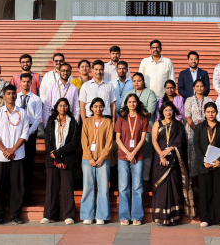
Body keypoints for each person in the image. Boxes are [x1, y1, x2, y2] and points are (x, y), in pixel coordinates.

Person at [151, 101, 195, 226]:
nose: (168, 112)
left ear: (174, 111)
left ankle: (173, 217)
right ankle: (160, 217)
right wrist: (162, 155)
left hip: (174, 160)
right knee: (161, 187)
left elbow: (181, 142)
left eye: (170, 110)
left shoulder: (179, 125)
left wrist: (170, 149)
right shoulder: (157, 124)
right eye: (165, 110)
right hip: (160, 160)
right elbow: (154, 141)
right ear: (162, 112)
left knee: (174, 187)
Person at [0, 85, 29, 225]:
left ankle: (15, 214)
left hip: (18, 155)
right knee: (0, 185)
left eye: (13, 93)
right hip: (1, 156)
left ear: (16, 96)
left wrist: (12, 150)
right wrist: (5, 150)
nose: (11, 96)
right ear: (4, 96)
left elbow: (25, 133)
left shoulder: (22, 112)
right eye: (8, 93)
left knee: (17, 186)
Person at [42, 97, 81, 225]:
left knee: (67, 188)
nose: (63, 108)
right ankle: (49, 215)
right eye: (60, 105)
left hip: (67, 159)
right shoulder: (51, 121)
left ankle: (68, 215)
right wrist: (57, 157)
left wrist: (58, 154)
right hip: (52, 159)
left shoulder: (73, 122)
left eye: (65, 105)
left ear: (68, 108)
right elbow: (48, 142)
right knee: (51, 188)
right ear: (56, 108)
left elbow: (73, 143)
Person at [193, 102, 220, 228]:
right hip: (204, 165)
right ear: (204, 113)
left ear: (217, 112)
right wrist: (203, 161)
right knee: (205, 193)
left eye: (213, 112)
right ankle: (206, 218)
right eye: (208, 112)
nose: (210, 114)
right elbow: (196, 145)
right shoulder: (199, 128)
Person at [115, 94, 150, 225]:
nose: (132, 104)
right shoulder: (121, 119)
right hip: (123, 156)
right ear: (126, 104)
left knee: (137, 186)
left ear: (137, 103)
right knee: (123, 186)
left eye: (134, 102)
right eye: (129, 102)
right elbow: (117, 139)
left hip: (138, 155)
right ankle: (124, 215)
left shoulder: (143, 119)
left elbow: (143, 139)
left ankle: (137, 216)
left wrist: (134, 152)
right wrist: (127, 153)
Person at [81, 97, 114, 225]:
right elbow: (84, 141)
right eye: (95, 106)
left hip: (103, 159)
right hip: (87, 159)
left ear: (103, 108)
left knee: (103, 187)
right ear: (91, 108)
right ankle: (87, 215)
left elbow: (109, 142)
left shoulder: (108, 122)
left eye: (100, 106)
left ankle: (101, 215)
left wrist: (102, 157)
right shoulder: (87, 121)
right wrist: (90, 157)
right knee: (88, 186)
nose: (98, 109)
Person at [123, 72, 158, 180]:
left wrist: (133, 112)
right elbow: (123, 110)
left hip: (146, 126)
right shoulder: (129, 93)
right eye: (134, 81)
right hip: (130, 127)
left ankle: (145, 178)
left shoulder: (150, 93)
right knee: (131, 149)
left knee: (146, 151)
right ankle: (133, 178)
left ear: (143, 81)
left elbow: (150, 111)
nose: (136, 83)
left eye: (139, 80)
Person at [16, 72, 43, 206]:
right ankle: (17, 196)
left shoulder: (36, 99)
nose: (26, 84)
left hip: (30, 134)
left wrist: (28, 133)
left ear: (31, 83)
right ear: (20, 83)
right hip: (16, 133)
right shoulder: (15, 97)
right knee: (17, 166)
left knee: (28, 166)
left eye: (28, 81)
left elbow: (38, 118)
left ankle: (27, 197)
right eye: (24, 81)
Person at [184, 79, 213, 178]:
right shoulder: (189, 100)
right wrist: (196, 130)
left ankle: (203, 175)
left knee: (204, 151)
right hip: (192, 130)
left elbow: (212, 115)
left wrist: (203, 131)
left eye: (201, 86)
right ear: (193, 88)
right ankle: (191, 179)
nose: (199, 88)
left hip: (206, 130)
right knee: (191, 154)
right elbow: (187, 117)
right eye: (197, 86)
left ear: (205, 88)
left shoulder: (209, 100)